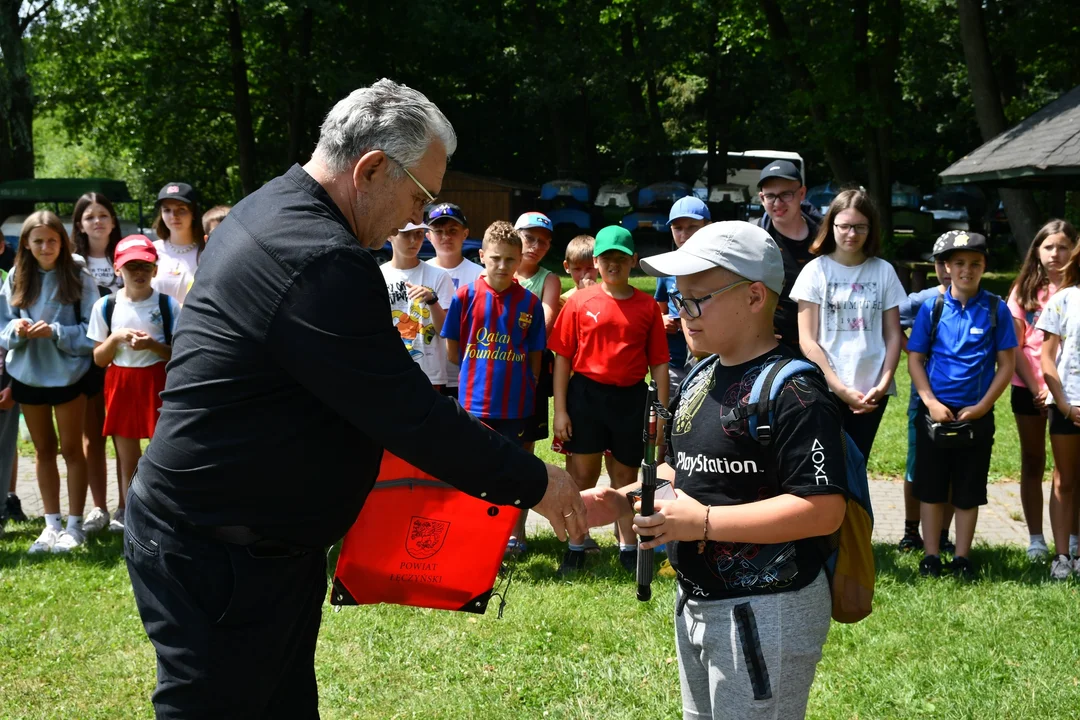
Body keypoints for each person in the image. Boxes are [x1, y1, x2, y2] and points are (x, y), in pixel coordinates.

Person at [123, 79, 584, 718]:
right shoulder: (321, 259)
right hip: (220, 553)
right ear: (369, 170)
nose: (417, 219)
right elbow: (408, 414)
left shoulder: (271, 204)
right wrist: (538, 481)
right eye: (419, 195)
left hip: (244, 546)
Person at [582, 221, 847, 720]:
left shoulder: (794, 394)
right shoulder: (702, 374)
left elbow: (823, 509)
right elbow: (685, 473)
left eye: (697, 299)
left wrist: (703, 524)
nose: (683, 313)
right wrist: (620, 499)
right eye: (679, 300)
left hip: (768, 608)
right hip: (698, 599)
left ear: (753, 297)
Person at [551, 225, 669, 574]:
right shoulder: (578, 302)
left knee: (625, 476)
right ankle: (576, 543)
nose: (613, 264)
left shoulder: (647, 307)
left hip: (631, 399)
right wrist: (560, 410)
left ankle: (628, 547)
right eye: (606, 258)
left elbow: (659, 365)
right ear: (596, 262)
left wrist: (660, 415)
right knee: (582, 475)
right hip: (586, 395)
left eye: (621, 257)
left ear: (633, 260)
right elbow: (562, 358)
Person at [907, 231, 1016, 578]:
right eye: (959, 264)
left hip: (976, 414)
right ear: (946, 268)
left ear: (984, 267)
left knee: (969, 489)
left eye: (974, 264)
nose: (966, 270)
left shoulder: (997, 309)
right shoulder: (932, 308)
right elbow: (915, 359)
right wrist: (930, 402)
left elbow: (1007, 365)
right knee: (931, 486)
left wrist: (984, 406)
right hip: (935, 413)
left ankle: (963, 558)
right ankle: (931, 555)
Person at [0, 211, 98, 554]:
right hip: (28, 373)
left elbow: (94, 331)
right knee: (43, 451)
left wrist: (56, 332)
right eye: (38, 240)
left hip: (68, 374)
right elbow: (4, 326)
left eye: (52, 240)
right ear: (26, 243)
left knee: (72, 450)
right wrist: (17, 331)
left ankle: (75, 526)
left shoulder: (77, 273)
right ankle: (50, 524)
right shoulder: (16, 275)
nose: (45, 246)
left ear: (63, 240)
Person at [790, 189, 904, 460]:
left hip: (873, 393)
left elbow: (893, 335)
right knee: (826, 467)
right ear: (831, 226)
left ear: (871, 229)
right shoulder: (815, 271)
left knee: (856, 465)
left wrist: (883, 383)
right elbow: (807, 340)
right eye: (844, 226)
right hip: (826, 388)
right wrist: (839, 388)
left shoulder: (883, 271)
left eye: (860, 227)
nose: (852, 234)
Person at [441, 221, 546, 495]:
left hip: (515, 405)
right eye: (496, 258)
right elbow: (453, 351)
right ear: (482, 256)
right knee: (473, 468)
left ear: (519, 259)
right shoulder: (465, 296)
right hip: (474, 403)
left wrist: (529, 381)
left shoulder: (530, 302)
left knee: (513, 470)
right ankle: (475, 532)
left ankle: (514, 535)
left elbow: (536, 353)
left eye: (510, 259)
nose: (502, 265)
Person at [87, 236, 179, 532]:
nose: (138, 272)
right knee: (127, 456)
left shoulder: (168, 305)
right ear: (117, 269)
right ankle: (127, 509)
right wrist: (114, 338)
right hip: (121, 382)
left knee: (161, 452)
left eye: (145, 265)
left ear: (155, 268)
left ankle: (160, 510)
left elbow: (177, 353)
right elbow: (99, 359)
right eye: (131, 266)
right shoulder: (106, 305)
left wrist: (153, 345)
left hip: (156, 380)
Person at [1009, 220, 1076, 562]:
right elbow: (1015, 346)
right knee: (1033, 461)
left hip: (1071, 393)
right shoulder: (1024, 290)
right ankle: (1036, 539)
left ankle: (1072, 537)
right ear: (1037, 250)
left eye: (1063, 246)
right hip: (1029, 388)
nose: (1055, 254)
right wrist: (1038, 387)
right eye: (1048, 247)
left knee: (1069, 469)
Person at [896, 242, 955, 553]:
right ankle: (910, 531)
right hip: (924, 397)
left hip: (963, 399)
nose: (947, 271)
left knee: (952, 469)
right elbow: (890, 320)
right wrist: (914, 352)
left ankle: (943, 534)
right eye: (941, 263)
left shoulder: (984, 303)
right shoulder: (922, 300)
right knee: (916, 465)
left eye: (954, 262)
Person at [71, 192, 124, 534]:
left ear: (113, 220)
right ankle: (98, 508)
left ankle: (124, 506)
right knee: (93, 436)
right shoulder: (72, 263)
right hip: (88, 358)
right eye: (90, 217)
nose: (98, 222)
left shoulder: (130, 254)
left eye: (103, 215)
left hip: (127, 360)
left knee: (123, 435)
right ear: (80, 224)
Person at [1036, 240, 1080, 579]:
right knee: (1065, 480)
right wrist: (1063, 404)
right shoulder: (1064, 298)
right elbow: (1047, 357)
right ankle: (1062, 556)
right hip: (1067, 405)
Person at [757, 160, 823, 352]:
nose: (778, 203)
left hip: (823, 347)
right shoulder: (753, 239)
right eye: (770, 196)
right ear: (762, 198)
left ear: (802, 193)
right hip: (772, 349)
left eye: (786, 194)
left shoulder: (827, 239)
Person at [381, 221, 454, 387]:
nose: (414, 240)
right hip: (389, 370)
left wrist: (432, 300)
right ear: (390, 235)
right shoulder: (379, 275)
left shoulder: (439, 276)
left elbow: (444, 330)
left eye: (419, 234)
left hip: (429, 374)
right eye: (406, 234)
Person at [425, 202, 482, 397]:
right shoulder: (421, 272)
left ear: (465, 234)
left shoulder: (480, 276)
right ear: (428, 236)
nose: (446, 236)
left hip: (467, 370)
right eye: (438, 231)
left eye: (453, 230)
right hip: (430, 372)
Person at [656, 196, 710, 389]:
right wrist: (661, 321)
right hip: (673, 362)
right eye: (678, 228)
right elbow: (658, 310)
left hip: (708, 359)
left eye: (692, 227)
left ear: (708, 226)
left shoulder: (717, 267)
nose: (684, 234)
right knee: (666, 416)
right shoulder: (665, 267)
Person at [150, 182, 203, 305]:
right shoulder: (151, 250)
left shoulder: (206, 251)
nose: (174, 215)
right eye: (167, 210)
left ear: (193, 213)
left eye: (181, 209)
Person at [559, 234, 598, 310]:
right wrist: (584, 295)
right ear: (567, 267)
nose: (583, 275)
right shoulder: (564, 301)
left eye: (590, 268)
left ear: (598, 264)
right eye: (577, 269)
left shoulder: (608, 295)